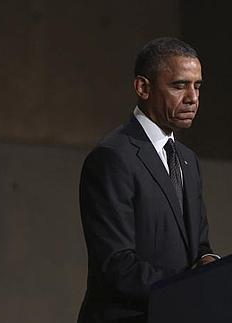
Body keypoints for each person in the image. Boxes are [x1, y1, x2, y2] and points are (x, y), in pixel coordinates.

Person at [78, 37, 218, 323]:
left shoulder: (188, 160)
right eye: (179, 85)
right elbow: (116, 266)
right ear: (143, 87)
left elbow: (198, 246)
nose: (192, 97)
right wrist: (191, 286)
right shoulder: (113, 157)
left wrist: (211, 264)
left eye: (197, 86)